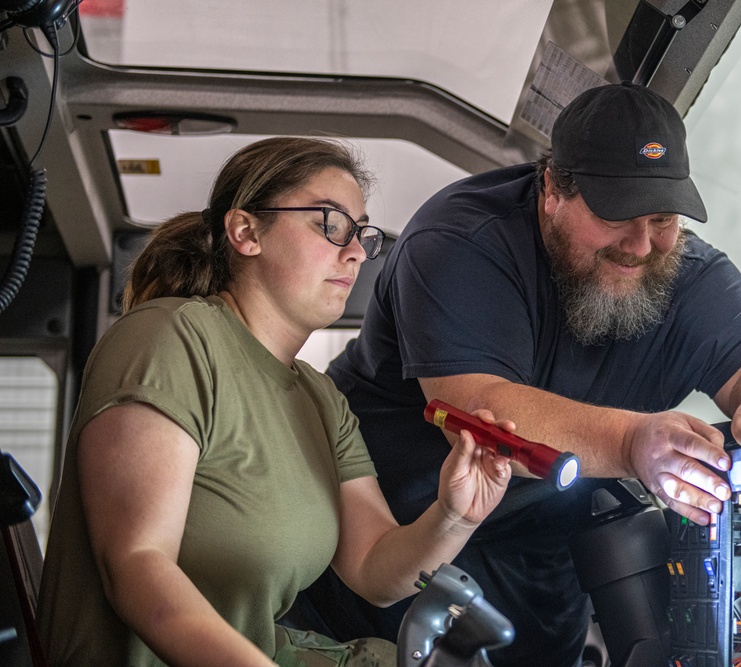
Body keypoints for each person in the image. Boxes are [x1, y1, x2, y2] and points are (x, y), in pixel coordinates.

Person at [297, 82, 741, 665]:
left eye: (664, 218)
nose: (642, 244)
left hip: (542, 564)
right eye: (615, 215)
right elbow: (477, 411)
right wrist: (632, 442)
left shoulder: (688, 272)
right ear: (552, 189)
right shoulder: (462, 241)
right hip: (385, 537)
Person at [36, 136, 512, 667]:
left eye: (362, 234)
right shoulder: (171, 338)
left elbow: (377, 571)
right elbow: (137, 565)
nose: (355, 251)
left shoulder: (319, 398)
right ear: (246, 232)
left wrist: (456, 514)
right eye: (330, 224)